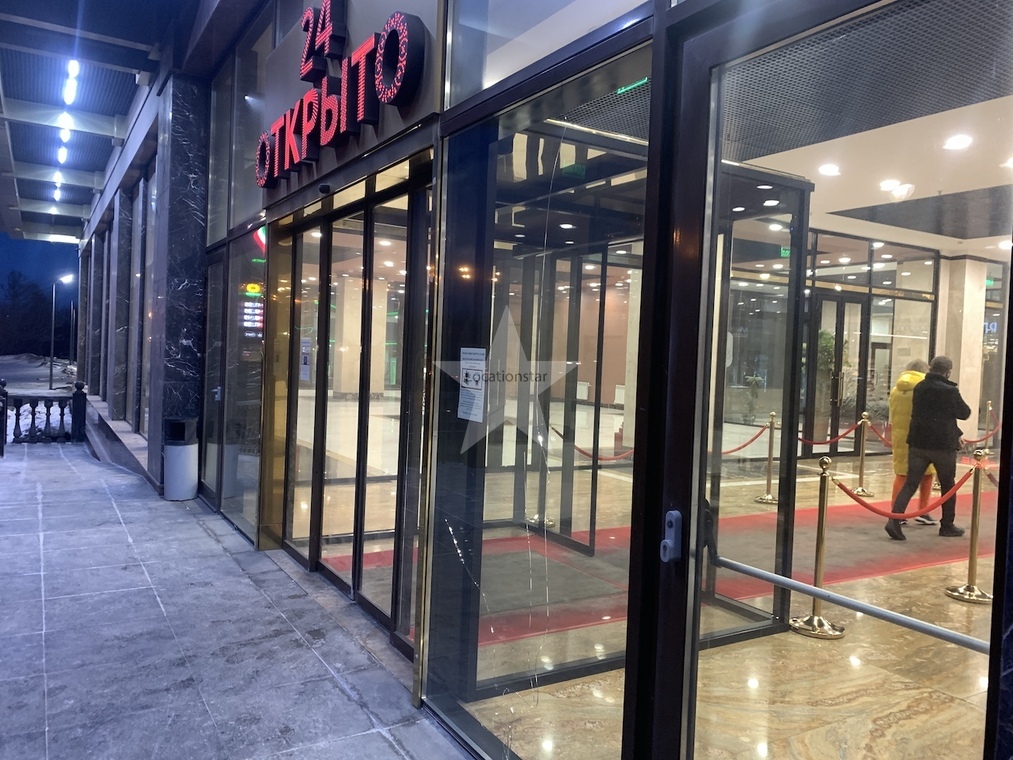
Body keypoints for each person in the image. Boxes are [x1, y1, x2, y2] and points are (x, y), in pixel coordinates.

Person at [886, 356, 971, 540]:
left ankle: (894, 520)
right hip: (942, 446)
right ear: (948, 372)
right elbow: (964, 413)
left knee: (910, 483)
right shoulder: (950, 391)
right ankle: (947, 525)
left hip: (918, 443)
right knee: (948, 485)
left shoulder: (920, 387)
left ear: (931, 368)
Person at [888, 360, 936, 526]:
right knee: (927, 474)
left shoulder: (896, 389)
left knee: (901, 473)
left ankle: (896, 511)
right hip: (921, 437)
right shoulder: (924, 389)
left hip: (900, 436)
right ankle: (923, 510)